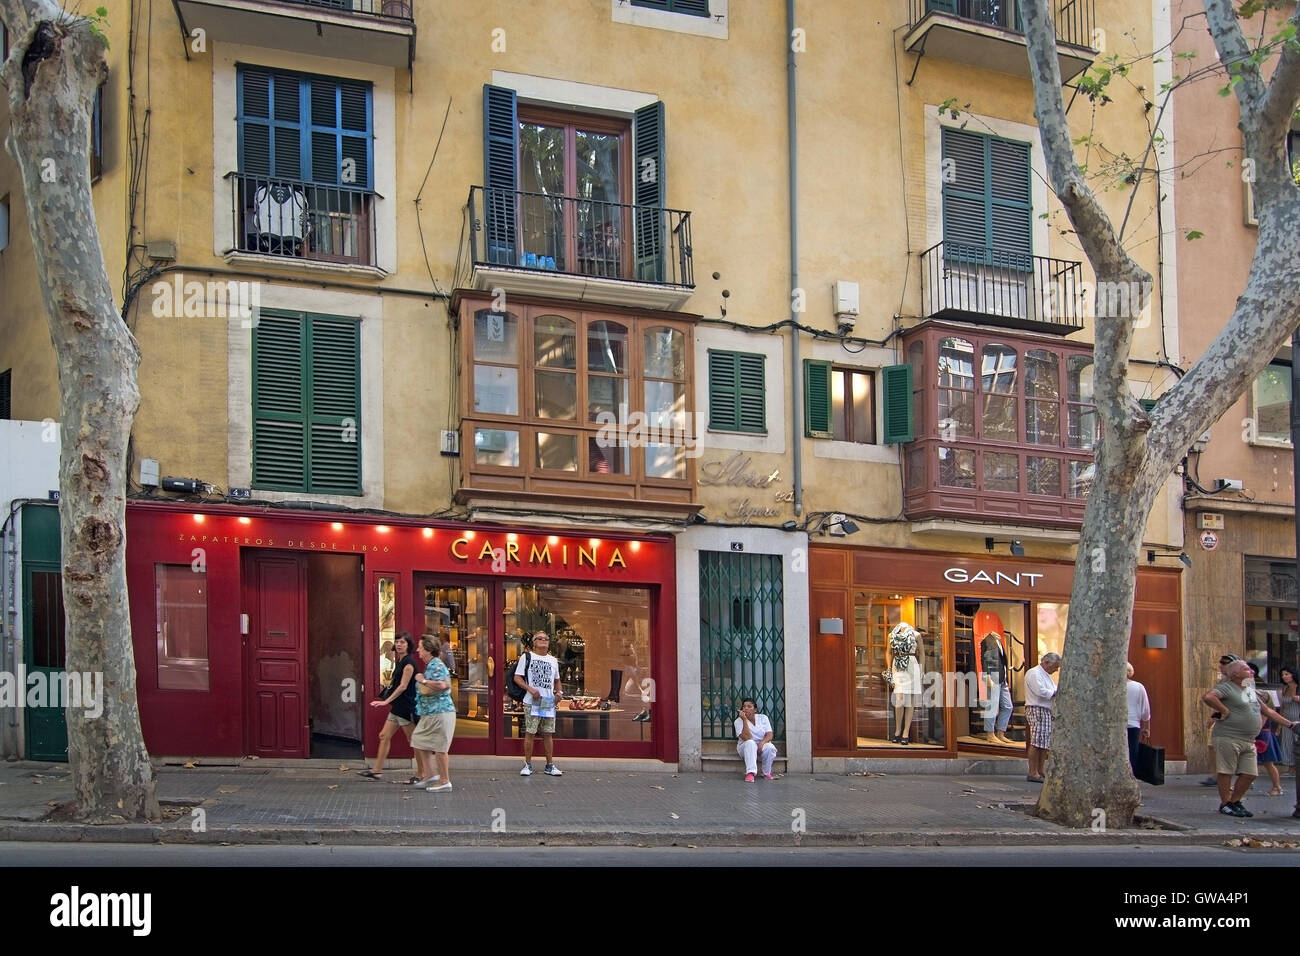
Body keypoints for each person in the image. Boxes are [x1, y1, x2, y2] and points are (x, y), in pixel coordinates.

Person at [1202, 659, 1297, 817]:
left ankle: (1235, 801)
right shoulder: (1226, 687)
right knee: (1226, 771)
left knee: (1250, 773)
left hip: (1248, 739)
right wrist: (1224, 710)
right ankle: (1226, 803)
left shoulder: (1249, 690)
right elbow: (1209, 697)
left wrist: (1291, 725)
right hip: (1228, 736)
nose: (1251, 672)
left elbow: (1268, 711)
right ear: (1235, 673)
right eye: (1247, 669)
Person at [359, 632, 419, 781]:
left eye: (403, 642)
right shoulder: (400, 661)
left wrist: (386, 701)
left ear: (409, 645)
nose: (399, 644)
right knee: (384, 735)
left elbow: (403, 686)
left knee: (415, 742)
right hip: (397, 707)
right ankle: (376, 770)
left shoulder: (409, 664)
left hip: (405, 708)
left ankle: (422, 774)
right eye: (397, 641)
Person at [410, 635, 455, 793]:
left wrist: (422, 680)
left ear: (428, 650)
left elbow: (442, 685)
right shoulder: (431, 665)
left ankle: (444, 781)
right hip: (431, 713)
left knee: (440, 746)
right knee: (420, 740)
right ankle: (430, 776)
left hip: (440, 711)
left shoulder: (435, 665)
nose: (418, 650)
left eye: (421, 647)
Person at [516, 631, 563, 777]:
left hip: (547, 701)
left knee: (548, 733)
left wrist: (559, 693)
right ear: (534, 642)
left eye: (546, 638)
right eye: (540, 638)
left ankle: (549, 765)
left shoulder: (553, 660)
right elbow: (517, 677)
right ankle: (528, 764)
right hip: (532, 701)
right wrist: (530, 689)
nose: (543, 641)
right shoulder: (527, 657)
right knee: (530, 732)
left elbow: (557, 680)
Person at [1199, 653, 1242, 786]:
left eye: (1225, 663)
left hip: (1236, 719)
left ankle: (1242, 774)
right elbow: (1217, 700)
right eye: (1221, 663)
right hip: (1224, 718)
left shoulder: (1241, 681)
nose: (1221, 666)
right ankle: (1217, 774)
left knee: (1235, 747)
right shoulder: (1223, 681)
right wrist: (1215, 715)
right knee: (1214, 746)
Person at [1023, 652, 1062, 783]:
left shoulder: (1045, 675)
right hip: (1037, 709)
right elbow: (1040, 691)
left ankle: (1040, 770)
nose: (1056, 670)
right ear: (1046, 663)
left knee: (1044, 742)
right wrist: (1056, 693)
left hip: (1045, 710)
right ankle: (1033, 772)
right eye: (1054, 667)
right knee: (1037, 741)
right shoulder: (1034, 673)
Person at [888, 622, 923, 745]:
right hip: (897, 665)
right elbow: (888, 652)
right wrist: (888, 669)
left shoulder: (916, 635)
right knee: (899, 698)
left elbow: (922, 653)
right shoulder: (892, 635)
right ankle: (897, 729)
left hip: (912, 665)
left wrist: (922, 670)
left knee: (911, 700)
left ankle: (905, 732)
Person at [980, 631, 1014, 745]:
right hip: (993, 677)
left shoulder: (998, 641)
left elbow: (1003, 663)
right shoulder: (989, 640)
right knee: (992, 706)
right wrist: (987, 676)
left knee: (1008, 706)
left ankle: (1000, 732)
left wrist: (1006, 679)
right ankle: (990, 734)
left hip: (1002, 678)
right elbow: (986, 660)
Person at [735, 698, 778, 781]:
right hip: (746, 748)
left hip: (761, 747)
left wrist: (762, 743)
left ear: (755, 709)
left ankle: (766, 773)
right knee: (750, 743)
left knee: (770, 747)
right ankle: (750, 773)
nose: (746, 708)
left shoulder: (763, 718)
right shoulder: (738, 721)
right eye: (744, 707)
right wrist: (744, 720)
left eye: (749, 706)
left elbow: (769, 734)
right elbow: (746, 738)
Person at [1125, 661, 1152, 776]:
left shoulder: (1110, 687)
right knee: (1132, 753)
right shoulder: (1138, 687)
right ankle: (1132, 776)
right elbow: (1146, 710)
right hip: (1133, 724)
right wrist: (1147, 728)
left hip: (1115, 725)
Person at [1279, 664, 1299, 776]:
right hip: (1286, 720)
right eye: (1282, 674)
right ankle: (1290, 767)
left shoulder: (1298, 686)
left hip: (1297, 719)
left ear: (1293, 675)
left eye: (1286, 674)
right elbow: (1282, 706)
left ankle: (1297, 767)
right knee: (1287, 743)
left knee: (1297, 743)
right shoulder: (1284, 688)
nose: (1284, 676)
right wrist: (1279, 724)